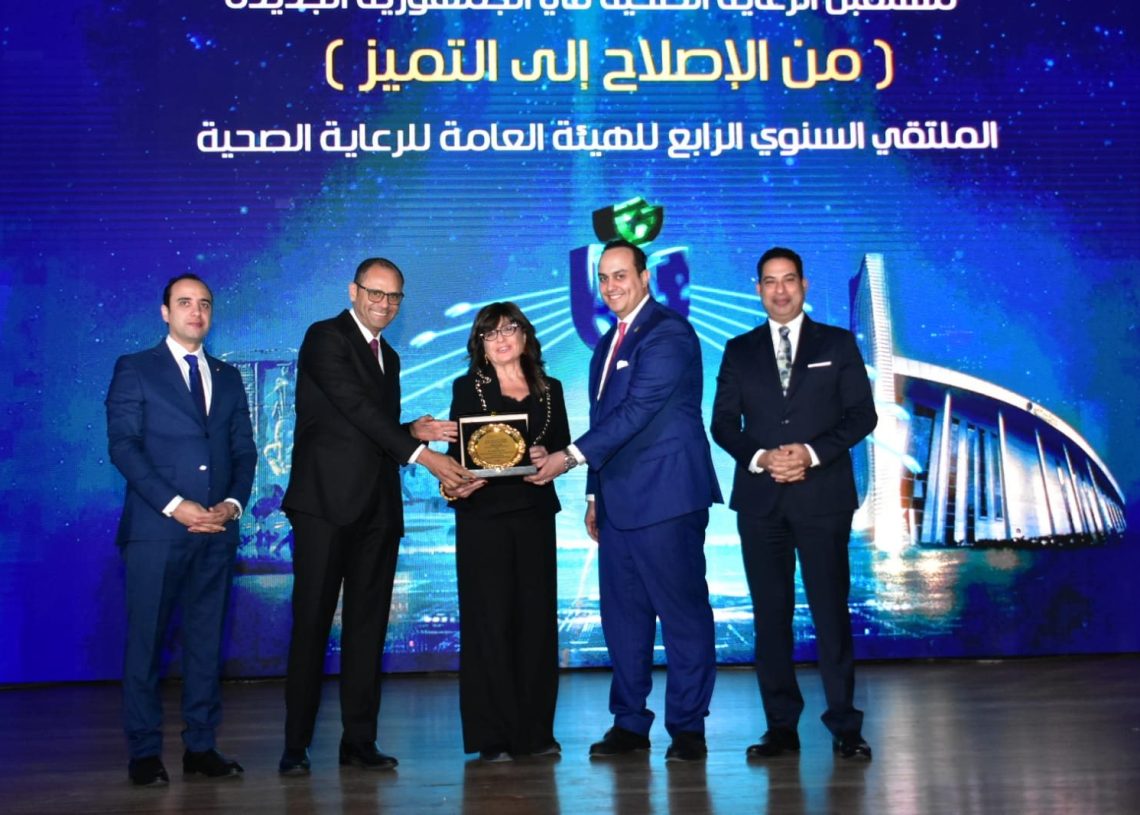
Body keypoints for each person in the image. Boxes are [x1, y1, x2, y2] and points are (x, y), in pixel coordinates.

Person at [527, 239, 722, 763]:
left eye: (621, 275)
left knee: (682, 617)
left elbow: (637, 410)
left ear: (644, 277)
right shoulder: (605, 346)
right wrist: (594, 494)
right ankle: (630, 724)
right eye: (604, 278)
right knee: (624, 621)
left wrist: (568, 458)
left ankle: (688, 729)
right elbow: (605, 423)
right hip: (618, 504)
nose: (611, 286)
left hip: (667, 498)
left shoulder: (668, 333)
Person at [279, 257, 475, 775]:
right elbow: (355, 409)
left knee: (368, 630)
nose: (384, 304)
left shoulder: (389, 355)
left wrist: (411, 430)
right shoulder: (325, 337)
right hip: (324, 507)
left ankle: (359, 741)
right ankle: (295, 746)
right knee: (312, 625)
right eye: (375, 293)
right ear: (354, 291)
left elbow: (371, 428)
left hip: (377, 511)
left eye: (394, 297)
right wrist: (424, 455)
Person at [710, 246, 878, 761]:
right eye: (769, 281)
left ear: (804, 285)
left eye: (788, 280)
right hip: (761, 501)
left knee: (830, 613)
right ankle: (781, 728)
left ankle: (845, 726)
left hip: (823, 497)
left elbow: (862, 416)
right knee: (770, 616)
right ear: (757, 289)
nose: (779, 290)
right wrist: (763, 458)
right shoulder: (739, 350)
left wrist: (809, 453)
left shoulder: (837, 343)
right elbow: (723, 424)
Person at [106, 274, 257, 786]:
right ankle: (145, 752)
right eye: (185, 303)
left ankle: (201, 746)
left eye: (205, 304)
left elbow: (243, 450)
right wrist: (176, 506)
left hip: (217, 531)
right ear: (165, 312)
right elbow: (123, 446)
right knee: (145, 645)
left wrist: (232, 505)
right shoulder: (135, 368)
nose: (197, 312)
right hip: (156, 532)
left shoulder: (228, 377)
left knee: (205, 644)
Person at [441, 302, 571, 762]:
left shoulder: (552, 390)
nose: (500, 339)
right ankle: (492, 736)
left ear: (524, 335)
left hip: (534, 515)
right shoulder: (466, 388)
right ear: (479, 344)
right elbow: (456, 457)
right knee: (488, 623)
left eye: (508, 329)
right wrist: (453, 483)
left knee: (536, 623)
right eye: (489, 333)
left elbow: (562, 450)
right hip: (483, 518)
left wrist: (547, 459)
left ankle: (536, 734)